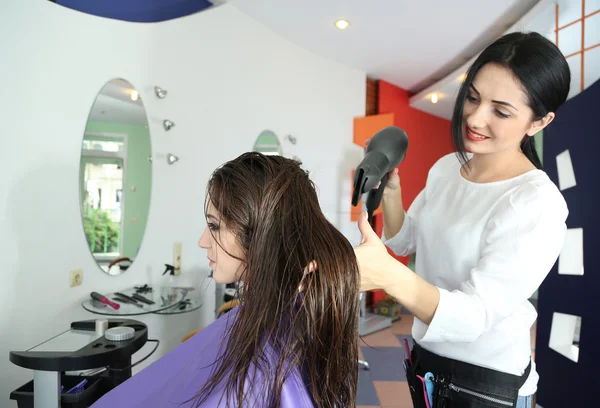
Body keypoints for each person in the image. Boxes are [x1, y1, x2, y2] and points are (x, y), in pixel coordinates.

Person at [353, 31, 570, 408]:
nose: (474, 117)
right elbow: (405, 240)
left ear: (539, 122)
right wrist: (390, 194)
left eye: (501, 111)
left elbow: (474, 316)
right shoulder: (448, 168)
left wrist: (388, 276)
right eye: (472, 96)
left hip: (485, 384)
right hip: (427, 362)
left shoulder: (537, 204)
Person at [92, 152, 360, 408]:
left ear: (258, 235)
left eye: (214, 225)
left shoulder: (268, 358)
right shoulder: (288, 321)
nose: (202, 241)